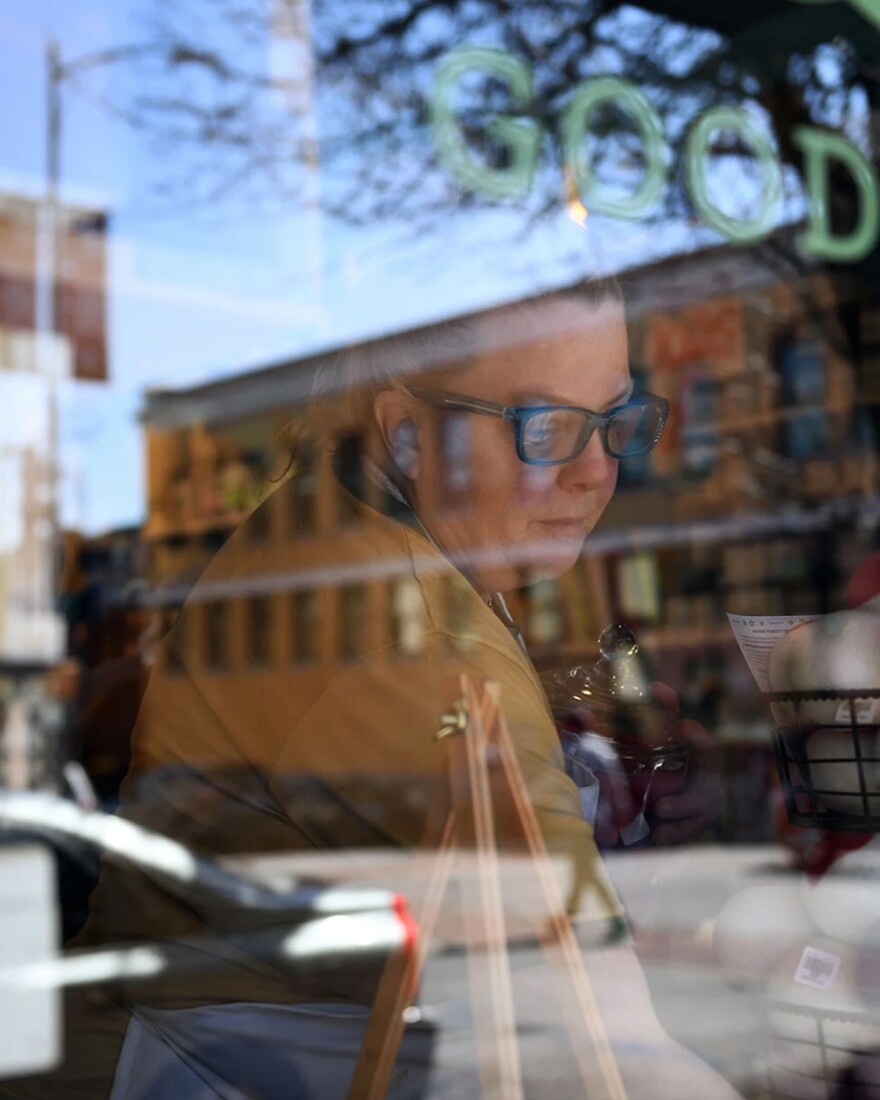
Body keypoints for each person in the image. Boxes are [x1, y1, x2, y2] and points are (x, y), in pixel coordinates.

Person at [20, 279, 738, 1099]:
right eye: (548, 428)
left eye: (616, 421)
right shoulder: (402, 631)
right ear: (405, 435)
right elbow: (610, 1040)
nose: (595, 472)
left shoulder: (357, 539)